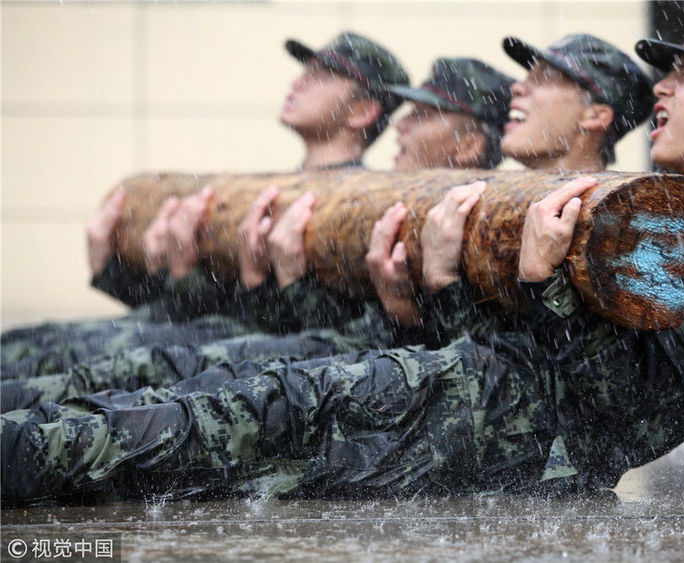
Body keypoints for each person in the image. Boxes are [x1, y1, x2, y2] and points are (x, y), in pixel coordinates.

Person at [0, 39, 651, 408]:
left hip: (405, 409)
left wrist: (282, 286)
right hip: (369, 389)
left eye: (425, 114)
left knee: (104, 397)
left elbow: (579, 384)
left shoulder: (621, 226)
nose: (404, 124)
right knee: (52, 362)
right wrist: (137, 271)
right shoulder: (419, 207)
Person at [0, 32, 410, 378]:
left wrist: (265, 282)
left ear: (362, 111)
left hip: (242, 378)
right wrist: (124, 272)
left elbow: (325, 341)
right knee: (25, 346)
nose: (299, 81)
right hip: (195, 356)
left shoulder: (364, 214)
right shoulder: (256, 192)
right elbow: (192, 314)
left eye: (322, 75)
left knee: (45, 367)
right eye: (305, 69)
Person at [500, 34, 652, 171]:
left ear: (595, 116)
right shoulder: (495, 197)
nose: (516, 87)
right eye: (527, 78)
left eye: (543, 78)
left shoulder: (623, 202)